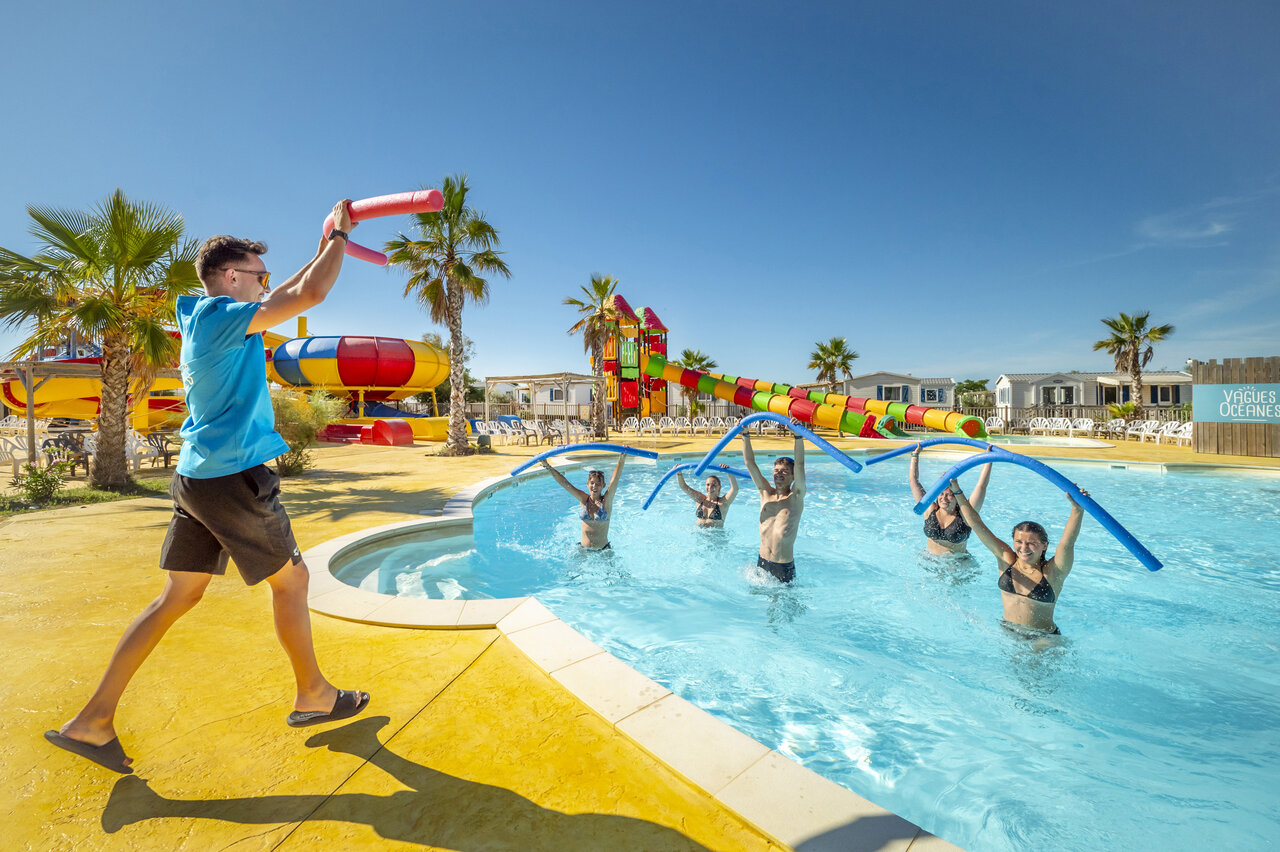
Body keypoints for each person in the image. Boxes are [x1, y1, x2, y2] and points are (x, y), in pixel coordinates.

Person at [45, 201, 368, 775]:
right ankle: (314, 695)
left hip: (198, 476)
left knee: (179, 595)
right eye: (259, 275)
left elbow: (288, 291)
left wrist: (322, 249)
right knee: (292, 582)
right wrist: (341, 236)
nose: (266, 283)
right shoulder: (223, 316)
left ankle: (92, 721)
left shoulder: (203, 315)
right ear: (231, 276)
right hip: (231, 478)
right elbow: (310, 295)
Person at [948, 478, 1086, 635]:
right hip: (1008, 631)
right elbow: (976, 524)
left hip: (1043, 638)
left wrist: (1077, 510)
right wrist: (957, 490)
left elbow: (1067, 544)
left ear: (1044, 545)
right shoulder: (1006, 559)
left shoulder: (1054, 571)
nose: (1024, 548)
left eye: (1031, 543)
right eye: (1019, 542)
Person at [741, 427, 805, 583]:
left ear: (793, 476)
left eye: (784, 471)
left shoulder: (796, 496)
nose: (778, 473)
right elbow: (750, 463)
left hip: (782, 566)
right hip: (762, 562)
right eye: (776, 470)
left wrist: (798, 436)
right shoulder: (765, 493)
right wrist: (745, 434)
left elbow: (800, 464)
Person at [908, 445, 993, 556]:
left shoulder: (965, 514)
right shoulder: (929, 508)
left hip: (958, 564)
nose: (944, 498)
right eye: (941, 494)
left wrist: (988, 459)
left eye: (949, 495)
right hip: (929, 560)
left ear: (957, 497)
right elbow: (913, 481)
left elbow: (981, 486)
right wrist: (915, 455)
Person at [540, 453, 627, 550]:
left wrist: (621, 459)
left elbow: (615, 480)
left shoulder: (606, 502)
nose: (594, 486)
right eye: (592, 483)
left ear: (603, 486)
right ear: (587, 484)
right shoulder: (584, 499)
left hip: (603, 551)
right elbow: (565, 484)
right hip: (583, 549)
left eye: (598, 484)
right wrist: (547, 466)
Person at [675, 464, 739, 528]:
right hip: (698, 533)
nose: (710, 487)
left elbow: (735, 489)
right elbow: (683, 486)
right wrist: (679, 473)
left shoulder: (723, 503)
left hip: (716, 534)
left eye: (713, 485)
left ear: (719, 487)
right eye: (708, 485)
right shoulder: (700, 499)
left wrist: (729, 472)